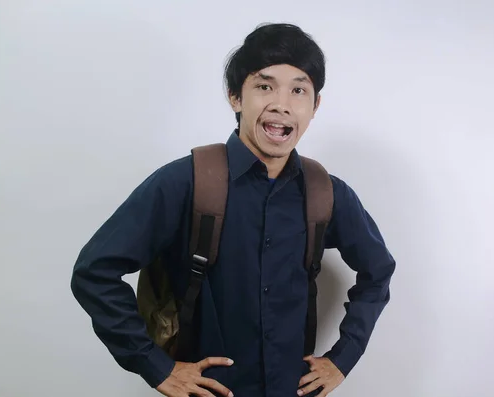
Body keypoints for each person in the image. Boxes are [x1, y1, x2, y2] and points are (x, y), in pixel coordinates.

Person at [71, 22, 396, 397]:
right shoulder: (186, 182)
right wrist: (154, 366)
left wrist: (343, 358)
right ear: (235, 97)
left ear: (315, 105)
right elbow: (93, 272)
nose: (282, 104)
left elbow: (379, 271)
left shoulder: (326, 192)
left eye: (299, 90)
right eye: (264, 86)